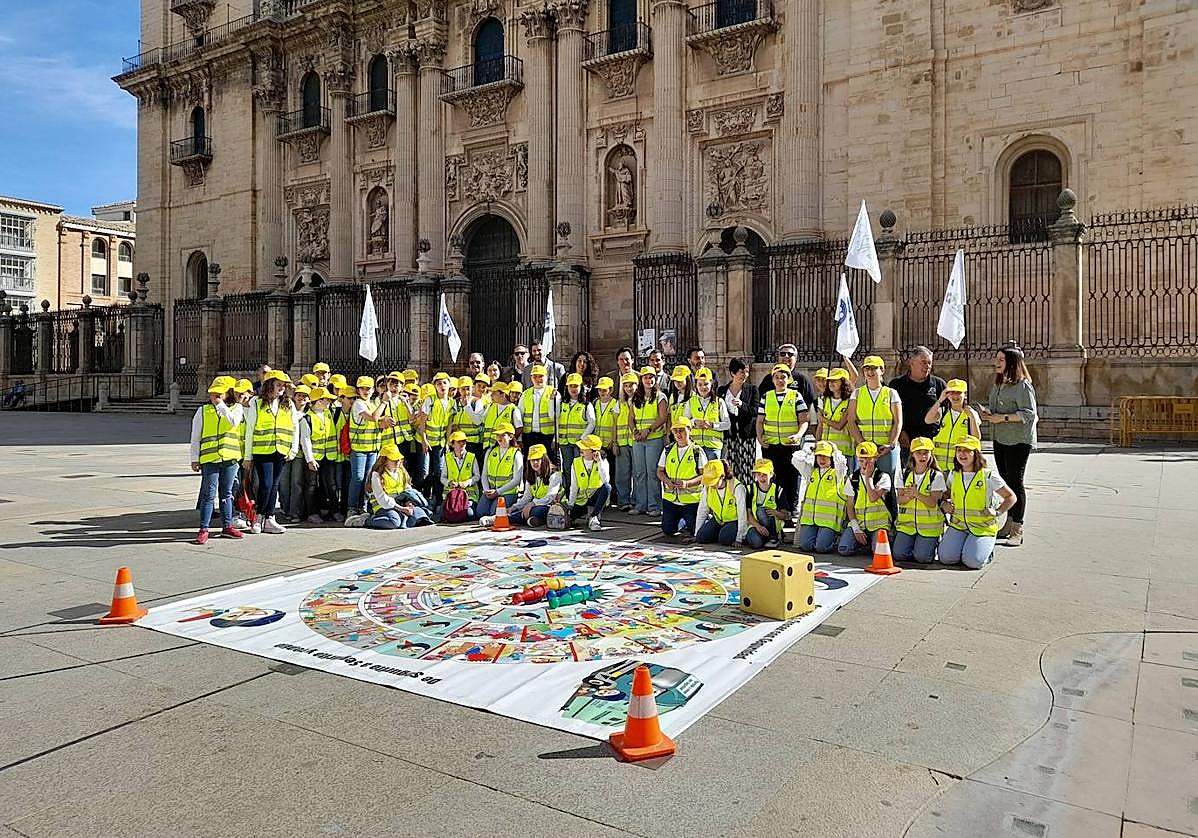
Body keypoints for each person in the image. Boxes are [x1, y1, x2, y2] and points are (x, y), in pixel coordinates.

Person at [981, 346, 1037, 546]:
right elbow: (997, 411)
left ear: (1012, 363)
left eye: (1001, 360)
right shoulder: (998, 384)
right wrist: (988, 414)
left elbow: (1029, 414)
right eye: (997, 359)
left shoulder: (1023, 386)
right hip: (1000, 438)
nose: (996, 362)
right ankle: (1008, 522)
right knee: (1006, 481)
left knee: (1016, 481)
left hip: (1018, 440)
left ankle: (1017, 528)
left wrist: (1002, 418)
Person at [938, 435, 1017, 569]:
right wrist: (944, 503)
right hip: (959, 526)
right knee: (946, 558)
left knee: (973, 562)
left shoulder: (988, 476)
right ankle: (967, 546)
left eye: (967, 450)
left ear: (976, 454)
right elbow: (946, 494)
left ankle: (986, 552)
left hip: (982, 528)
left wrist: (997, 512)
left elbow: (1011, 497)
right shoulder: (954, 474)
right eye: (959, 450)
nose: (962, 454)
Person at [190, 376, 244, 544]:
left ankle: (227, 526)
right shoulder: (203, 411)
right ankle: (204, 528)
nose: (215, 396)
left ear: (229, 393)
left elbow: (233, 422)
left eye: (219, 393)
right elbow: (195, 436)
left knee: (226, 494)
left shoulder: (236, 408)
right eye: (214, 393)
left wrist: (221, 405)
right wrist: (194, 458)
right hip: (210, 459)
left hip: (230, 458)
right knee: (208, 494)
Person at [242, 370, 297, 534]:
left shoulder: (288, 404)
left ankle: (270, 517)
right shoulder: (257, 403)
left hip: (281, 450)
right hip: (262, 450)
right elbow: (250, 429)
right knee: (265, 484)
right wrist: (247, 456)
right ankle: (259, 516)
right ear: (269, 385)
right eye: (278, 384)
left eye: (283, 385)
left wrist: (293, 449)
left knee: (274, 485)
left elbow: (294, 428)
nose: (281, 388)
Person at [756, 363, 809, 509]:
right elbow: (760, 421)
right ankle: (776, 507)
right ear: (773, 380)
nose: (780, 380)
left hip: (790, 445)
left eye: (783, 377)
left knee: (792, 477)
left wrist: (798, 435)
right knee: (774, 477)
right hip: (771, 445)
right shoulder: (766, 397)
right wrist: (760, 437)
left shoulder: (796, 396)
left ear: (788, 379)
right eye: (777, 377)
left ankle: (792, 508)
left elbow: (804, 420)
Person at [847, 355, 903, 480]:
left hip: (885, 449)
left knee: (888, 484)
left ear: (882, 370)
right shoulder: (857, 393)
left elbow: (898, 421)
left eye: (874, 368)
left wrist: (891, 444)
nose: (870, 372)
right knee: (864, 483)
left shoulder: (891, 393)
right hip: (865, 448)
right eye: (867, 369)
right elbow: (851, 421)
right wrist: (862, 442)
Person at [893, 437, 945, 564]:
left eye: (926, 452)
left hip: (929, 527)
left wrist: (917, 495)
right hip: (907, 525)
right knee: (899, 555)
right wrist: (907, 497)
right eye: (919, 453)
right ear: (912, 455)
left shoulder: (936, 475)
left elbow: (933, 502)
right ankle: (917, 547)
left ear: (931, 454)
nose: (922, 456)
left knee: (923, 558)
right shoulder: (903, 474)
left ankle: (928, 546)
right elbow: (899, 500)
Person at [889, 346, 947, 458]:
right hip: (906, 442)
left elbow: (948, 411)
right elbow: (890, 413)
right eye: (923, 362)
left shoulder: (939, 385)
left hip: (932, 442)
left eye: (929, 363)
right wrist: (900, 432)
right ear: (911, 363)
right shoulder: (896, 385)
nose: (927, 366)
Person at [838, 441, 894, 556]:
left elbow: (873, 497)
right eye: (861, 460)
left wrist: (868, 478)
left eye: (868, 460)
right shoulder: (853, 478)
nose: (864, 464)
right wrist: (856, 528)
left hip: (879, 524)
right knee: (844, 549)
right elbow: (850, 506)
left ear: (875, 458)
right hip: (860, 524)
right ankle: (862, 542)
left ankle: (875, 541)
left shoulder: (883, 477)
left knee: (878, 551)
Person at [657, 417, 708, 540]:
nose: (679, 434)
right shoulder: (668, 450)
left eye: (682, 430)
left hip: (691, 501)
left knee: (694, 530)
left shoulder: (697, 451)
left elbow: (705, 476)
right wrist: (667, 481)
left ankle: (701, 519)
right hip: (671, 500)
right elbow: (659, 471)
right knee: (668, 530)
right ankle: (681, 521)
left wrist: (688, 483)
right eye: (676, 431)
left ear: (689, 430)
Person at [794, 440, 848, 554]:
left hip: (829, 521)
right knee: (805, 546)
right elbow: (796, 460)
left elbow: (842, 463)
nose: (822, 460)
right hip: (810, 520)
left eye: (825, 456)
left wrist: (835, 450)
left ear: (831, 458)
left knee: (821, 548)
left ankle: (834, 538)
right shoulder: (811, 472)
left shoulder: (837, 473)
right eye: (819, 456)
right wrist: (809, 449)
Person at [361, 444, 432, 529]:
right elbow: (382, 499)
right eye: (394, 459)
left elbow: (408, 490)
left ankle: (404, 518)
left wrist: (409, 504)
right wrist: (402, 509)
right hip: (383, 506)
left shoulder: (401, 471)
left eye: (399, 459)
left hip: (400, 504)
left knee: (421, 515)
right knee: (394, 522)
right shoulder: (377, 475)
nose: (398, 462)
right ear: (384, 460)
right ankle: (365, 520)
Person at [629, 365, 668, 516]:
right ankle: (640, 505)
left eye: (651, 377)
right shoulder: (636, 398)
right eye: (645, 377)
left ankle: (654, 506)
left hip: (654, 439)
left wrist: (649, 430)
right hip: (639, 439)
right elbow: (631, 419)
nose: (648, 380)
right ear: (641, 379)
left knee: (652, 472)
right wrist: (635, 432)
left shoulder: (660, 396)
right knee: (639, 472)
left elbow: (663, 417)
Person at [300, 386, 341, 523]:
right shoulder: (307, 419)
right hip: (315, 458)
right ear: (318, 401)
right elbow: (305, 440)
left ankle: (334, 510)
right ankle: (312, 513)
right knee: (311, 485)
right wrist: (310, 459)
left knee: (331, 484)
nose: (329, 402)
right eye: (327, 399)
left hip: (329, 456)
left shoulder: (329, 413)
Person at [346, 375, 385, 516]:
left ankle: (363, 506)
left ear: (373, 389)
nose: (365, 391)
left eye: (368, 388)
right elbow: (373, 417)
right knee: (357, 478)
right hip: (359, 449)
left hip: (372, 448)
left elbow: (377, 421)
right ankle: (351, 507)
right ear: (358, 390)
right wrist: (384, 403)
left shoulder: (373, 404)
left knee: (368, 480)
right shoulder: (358, 404)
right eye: (362, 388)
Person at [719, 358, 761, 485]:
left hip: (746, 436)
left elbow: (755, 411)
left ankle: (747, 499)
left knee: (747, 469)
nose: (745, 375)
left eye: (746, 372)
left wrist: (742, 405)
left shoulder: (752, 389)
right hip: (729, 436)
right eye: (741, 372)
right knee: (730, 469)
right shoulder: (722, 391)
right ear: (732, 373)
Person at [925, 379, 981, 471]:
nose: (955, 396)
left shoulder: (970, 413)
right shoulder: (943, 411)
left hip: (959, 467)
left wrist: (972, 418)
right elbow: (928, 420)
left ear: (965, 395)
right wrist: (939, 400)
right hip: (939, 467)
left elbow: (976, 438)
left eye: (958, 392)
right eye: (952, 392)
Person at [418, 371, 455, 510]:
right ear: (435, 386)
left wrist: (447, 441)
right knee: (425, 471)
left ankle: (437, 499)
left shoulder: (451, 402)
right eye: (439, 383)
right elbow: (422, 421)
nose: (442, 386)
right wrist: (424, 440)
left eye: (445, 383)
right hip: (427, 441)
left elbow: (450, 424)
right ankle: (424, 497)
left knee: (439, 471)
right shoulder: (430, 400)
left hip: (440, 443)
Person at [594, 376, 631, 510]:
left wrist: (613, 441)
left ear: (611, 390)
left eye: (605, 390)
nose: (602, 392)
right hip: (598, 444)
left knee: (613, 472)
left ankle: (614, 496)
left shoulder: (615, 404)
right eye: (600, 390)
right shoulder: (595, 403)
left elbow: (615, 424)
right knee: (600, 472)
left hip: (610, 443)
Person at [556, 373, 595, 492]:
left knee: (579, 469)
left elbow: (592, 422)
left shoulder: (586, 404)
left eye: (576, 386)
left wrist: (583, 438)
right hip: (564, 442)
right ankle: (568, 493)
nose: (573, 389)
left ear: (581, 387)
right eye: (570, 386)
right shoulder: (561, 403)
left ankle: (580, 492)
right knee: (567, 468)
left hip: (580, 444)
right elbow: (555, 418)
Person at [478, 422, 523, 521]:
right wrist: (486, 491)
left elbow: (516, 480)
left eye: (503, 435)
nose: (499, 438)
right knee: (480, 513)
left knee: (494, 513)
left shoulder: (516, 453)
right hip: (491, 491)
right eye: (498, 435)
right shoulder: (490, 451)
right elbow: (484, 474)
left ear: (511, 437)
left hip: (507, 492)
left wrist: (498, 492)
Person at [693, 460, 745, 546]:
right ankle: (720, 532)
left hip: (734, 521)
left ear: (722, 476)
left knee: (724, 539)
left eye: (713, 481)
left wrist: (739, 538)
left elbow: (742, 513)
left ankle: (726, 533)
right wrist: (696, 533)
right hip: (718, 519)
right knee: (701, 537)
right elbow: (702, 510)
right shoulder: (708, 487)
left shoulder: (737, 487)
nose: (711, 485)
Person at [684, 367, 729, 463]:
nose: (703, 387)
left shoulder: (719, 402)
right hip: (695, 446)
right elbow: (685, 422)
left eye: (706, 384)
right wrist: (694, 423)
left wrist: (712, 425)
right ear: (695, 385)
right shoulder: (690, 402)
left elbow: (727, 424)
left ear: (711, 384)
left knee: (712, 476)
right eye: (700, 384)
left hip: (713, 447)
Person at [509, 443, 561, 526]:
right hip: (536, 505)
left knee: (535, 511)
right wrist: (514, 507)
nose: (535, 463)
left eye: (538, 459)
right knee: (519, 510)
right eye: (532, 460)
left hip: (552, 507)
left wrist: (533, 503)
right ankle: (532, 520)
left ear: (544, 459)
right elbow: (526, 497)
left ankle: (513, 518)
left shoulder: (555, 474)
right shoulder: (530, 475)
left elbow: (551, 497)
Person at [567, 434, 610, 531]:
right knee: (570, 518)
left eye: (585, 448)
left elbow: (605, 480)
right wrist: (570, 505)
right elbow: (574, 486)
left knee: (607, 487)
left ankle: (594, 516)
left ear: (594, 452)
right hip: (581, 500)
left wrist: (599, 462)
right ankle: (588, 512)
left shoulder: (603, 462)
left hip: (595, 498)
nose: (581, 449)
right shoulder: (576, 462)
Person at [743, 458, 788, 548]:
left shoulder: (778, 490)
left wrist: (775, 513)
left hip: (773, 526)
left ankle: (773, 537)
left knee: (761, 510)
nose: (761, 477)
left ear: (771, 475)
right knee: (755, 543)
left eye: (764, 474)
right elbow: (748, 513)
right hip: (755, 525)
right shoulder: (750, 489)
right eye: (759, 474)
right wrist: (758, 526)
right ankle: (765, 538)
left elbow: (785, 516)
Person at [819, 368, 856, 473]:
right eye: (830, 381)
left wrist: (823, 419)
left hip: (844, 451)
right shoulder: (824, 400)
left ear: (843, 382)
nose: (831, 383)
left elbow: (840, 426)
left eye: (835, 380)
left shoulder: (850, 402)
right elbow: (820, 426)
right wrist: (817, 443)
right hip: (827, 451)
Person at [518, 364, 560, 459]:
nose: (538, 379)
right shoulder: (526, 394)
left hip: (547, 435)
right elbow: (520, 417)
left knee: (547, 461)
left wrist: (555, 439)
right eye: (535, 376)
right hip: (529, 435)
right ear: (531, 378)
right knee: (530, 462)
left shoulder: (553, 392)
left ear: (546, 376)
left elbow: (557, 418)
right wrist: (519, 438)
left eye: (540, 376)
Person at [758, 343, 816, 409]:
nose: (786, 356)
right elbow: (760, 400)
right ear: (778, 358)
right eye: (782, 354)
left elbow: (810, 402)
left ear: (796, 359)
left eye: (790, 354)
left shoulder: (802, 379)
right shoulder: (768, 378)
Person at [441, 430, 480, 521]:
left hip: (468, 495)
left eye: (464, 441)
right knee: (443, 514)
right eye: (459, 442)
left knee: (469, 514)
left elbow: (477, 476)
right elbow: (443, 477)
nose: (462, 444)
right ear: (452, 444)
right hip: (451, 495)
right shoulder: (447, 458)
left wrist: (467, 482)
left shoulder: (471, 457)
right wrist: (449, 483)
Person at [483, 381, 522, 449]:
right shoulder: (490, 406)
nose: (491, 395)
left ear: (503, 394)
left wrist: (509, 441)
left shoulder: (513, 409)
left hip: (503, 447)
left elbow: (519, 428)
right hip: (487, 446)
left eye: (494, 393)